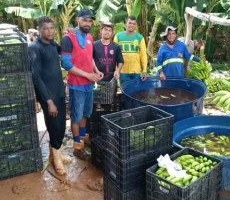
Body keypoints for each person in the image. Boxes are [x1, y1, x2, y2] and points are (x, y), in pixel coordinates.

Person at [28, 16, 71, 176]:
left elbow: (64, 51)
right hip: (48, 96)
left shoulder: (53, 44)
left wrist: (70, 35)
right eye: (46, 28)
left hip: (59, 91)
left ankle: (57, 154)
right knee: (53, 126)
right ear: (39, 30)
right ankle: (56, 160)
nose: (49, 31)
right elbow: (36, 77)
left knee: (60, 125)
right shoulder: (35, 47)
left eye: (51, 28)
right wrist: (48, 101)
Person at [60, 9, 104, 160]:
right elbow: (66, 63)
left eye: (90, 21)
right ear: (78, 19)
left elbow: (89, 58)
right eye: (85, 20)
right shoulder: (68, 38)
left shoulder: (90, 37)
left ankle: (83, 139)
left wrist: (96, 71)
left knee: (86, 113)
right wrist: (88, 75)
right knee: (76, 116)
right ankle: (77, 146)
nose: (88, 23)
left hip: (89, 84)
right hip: (76, 85)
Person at [113, 15, 147, 85]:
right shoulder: (118, 36)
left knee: (135, 93)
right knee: (125, 92)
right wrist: (116, 70)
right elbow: (114, 55)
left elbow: (143, 55)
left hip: (136, 71)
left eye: (133, 24)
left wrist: (144, 70)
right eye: (130, 23)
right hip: (122, 71)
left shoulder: (140, 38)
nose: (131, 25)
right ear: (126, 24)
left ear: (136, 26)